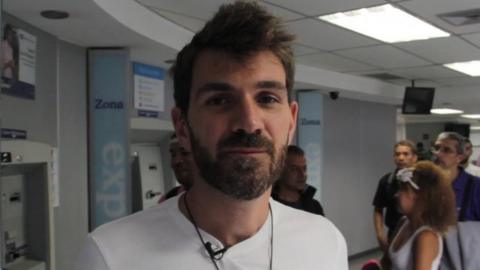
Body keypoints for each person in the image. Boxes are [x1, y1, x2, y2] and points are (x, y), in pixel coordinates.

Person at [74, 2, 348, 270]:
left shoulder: (325, 242)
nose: (249, 122)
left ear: (291, 121)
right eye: (219, 100)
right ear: (181, 126)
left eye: (267, 98)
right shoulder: (111, 256)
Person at [389, 161, 456, 270]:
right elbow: (387, 263)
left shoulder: (426, 237)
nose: (396, 194)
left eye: (402, 190)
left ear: (417, 196)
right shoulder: (403, 222)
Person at [373, 140, 417, 262]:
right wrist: (380, 235)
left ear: (414, 157)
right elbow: (378, 208)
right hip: (394, 234)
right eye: (397, 154)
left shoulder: (425, 180)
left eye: (405, 154)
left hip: (418, 233)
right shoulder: (387, 181)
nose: (401, 158)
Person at [432, 132, 480, 221]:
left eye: (447, 150)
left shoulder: (475, 186)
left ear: (460, 158)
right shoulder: (425, 183)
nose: (438, 154)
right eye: (436, 148)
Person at [272, 145, 324, 215]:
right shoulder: (267, 205)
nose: (302, 175)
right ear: (280, 171)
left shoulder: (314, 207)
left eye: (304, 169)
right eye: (294, 169)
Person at [158, 133, 194, 203]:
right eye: (173, 155)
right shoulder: (166, 201)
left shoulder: (219, 199)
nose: (176, 161)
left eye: (185, 153)